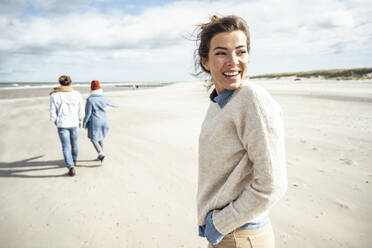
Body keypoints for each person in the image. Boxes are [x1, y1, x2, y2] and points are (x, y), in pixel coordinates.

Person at [195, 15, 287, 248]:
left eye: (240, 51)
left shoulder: (251, 99)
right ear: (205, 61)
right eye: (221, 52)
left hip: (240, 235)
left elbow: (273, 184)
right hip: (228, 234)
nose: (233, 61)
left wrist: (220, 223)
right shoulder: (220, 101)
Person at [50, 75, 84, 176]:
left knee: (65, 146)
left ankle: (71, 167)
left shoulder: (54, 95)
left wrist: (55, 120)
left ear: (60, 83)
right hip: (74, 122)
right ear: (70, 83)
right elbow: (81, 109)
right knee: (74, 143)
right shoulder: (77, 94)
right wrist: (80, 119)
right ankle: (74, 160)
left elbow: (52, 111)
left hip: (62, 123)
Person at [82, 80, 117, 163]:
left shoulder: (90, 100)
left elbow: (88, 114)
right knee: (100, 137)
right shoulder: (103, 98)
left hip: (95, 122)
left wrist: (84, 124)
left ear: (91, 89)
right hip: (104, 121)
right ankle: (100, 156)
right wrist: (116, 105)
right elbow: (113, 104)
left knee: (93, 139)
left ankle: (101, 154)